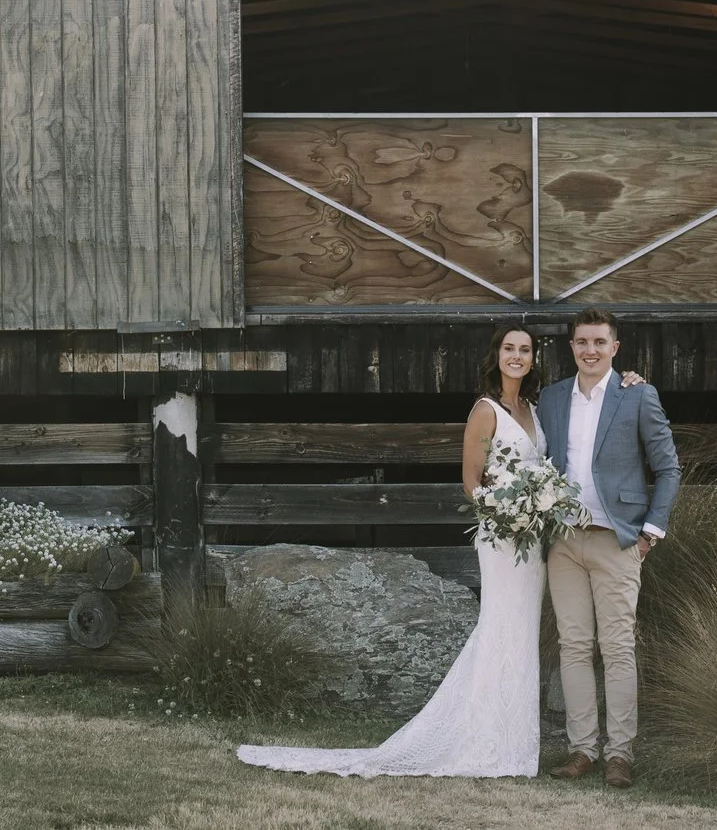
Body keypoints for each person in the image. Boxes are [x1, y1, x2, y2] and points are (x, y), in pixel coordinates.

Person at [236, 324, 646, 778]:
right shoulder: (485, 411)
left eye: (525, 350)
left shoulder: (536, 406)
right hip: (502, 537)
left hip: (533, 542)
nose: (517, 356)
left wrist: (631, 379)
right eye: (509, 348)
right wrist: (504, 513)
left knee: (521, 632)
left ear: (533, 359)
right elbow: (471, 482)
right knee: (500, 626)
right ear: (497, 355)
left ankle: (513, 738)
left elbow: (553, 459)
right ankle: (486, 739)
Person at [537, 306, 681, 790]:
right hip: (564, 543)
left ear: (614, 348)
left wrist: (649, 535)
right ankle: (582, 749)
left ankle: (620, 754)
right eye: (582, 342)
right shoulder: (553, 398)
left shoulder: (637, 395)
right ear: (571, 347)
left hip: (618, 540)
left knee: (618, 648)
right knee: (573, 647)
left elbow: (668, 469)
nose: (590, 350)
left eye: (600, 342)